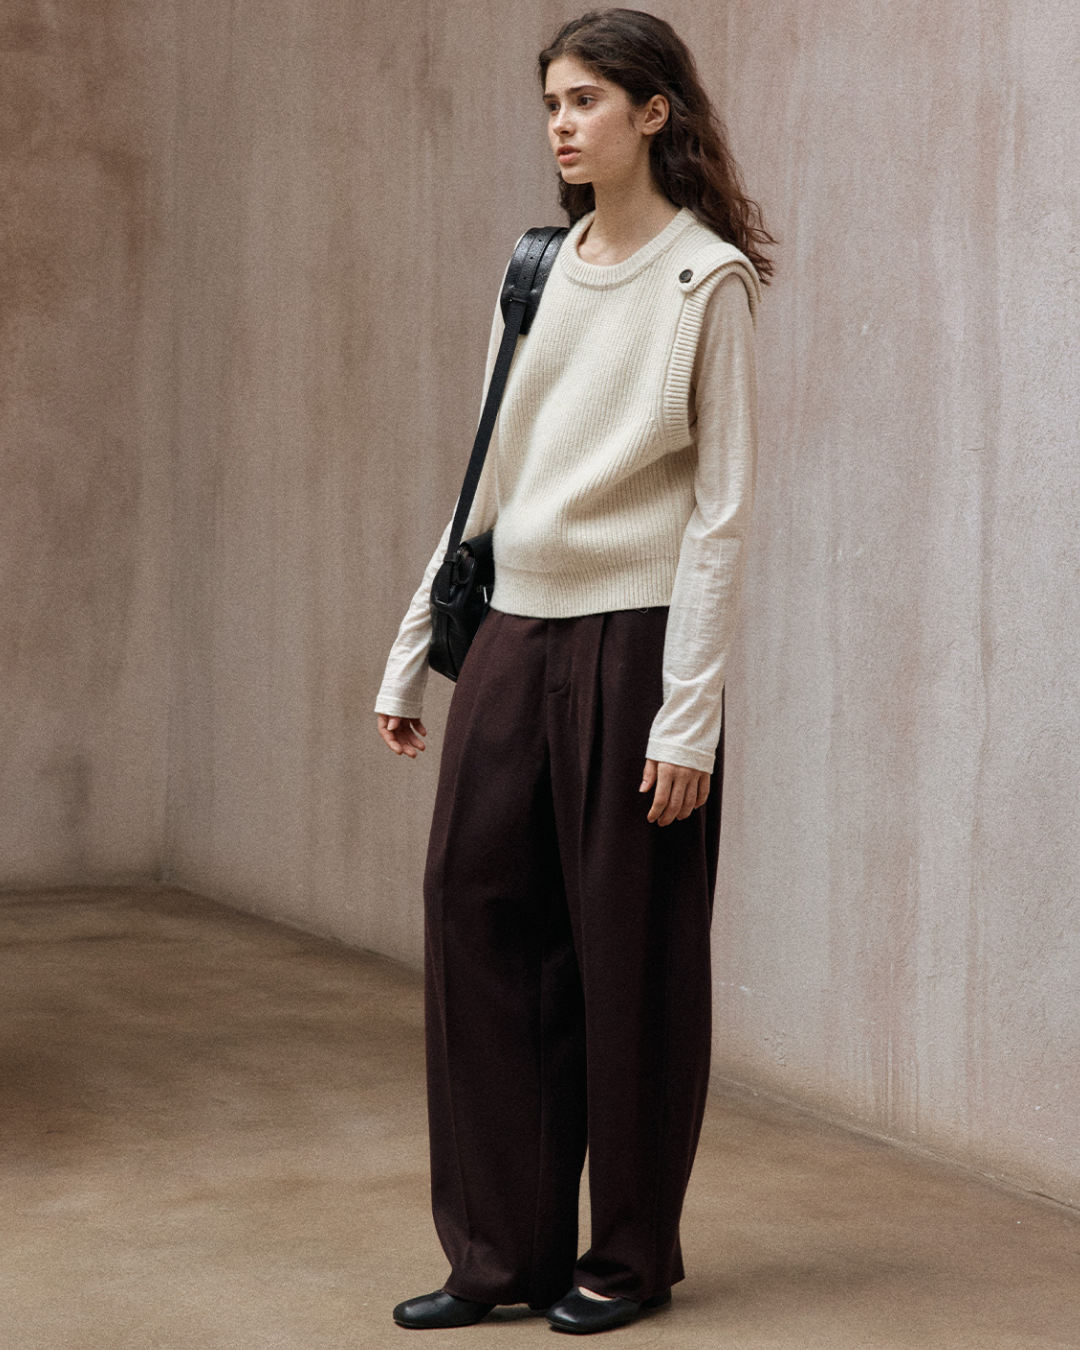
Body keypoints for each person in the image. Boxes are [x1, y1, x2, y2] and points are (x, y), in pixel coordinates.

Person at [374, 8, 774, 1336]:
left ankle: (630, 1255)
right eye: (551, 100)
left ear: (654, 112)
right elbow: (487, 471)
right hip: (513, 633)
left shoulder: (706, 280)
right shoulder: (534, 268)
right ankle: (500, 1253)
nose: (561, 122)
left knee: (630, 953)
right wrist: (414, 653)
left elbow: (721, 515)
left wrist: (689, 718)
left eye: (586, 98)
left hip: (636, 645)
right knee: (476, 919)